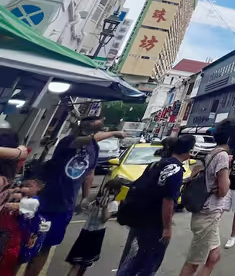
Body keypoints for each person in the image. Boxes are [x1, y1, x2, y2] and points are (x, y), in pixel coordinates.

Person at [25, 117, 124, 276]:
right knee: (26, 244)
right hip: (43, 201)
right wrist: (114, 133)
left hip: (64, 207)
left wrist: (85, 197)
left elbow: (89, 174)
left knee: (45, 247)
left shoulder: (94, 148)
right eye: (96, 125)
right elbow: (84, 139)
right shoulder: (69, 141)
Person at [117, 135, 195, 276]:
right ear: (186, 151)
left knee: (131, 258)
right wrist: (167, 228)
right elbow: (168, 201)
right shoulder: (176, 170)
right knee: (146, 263)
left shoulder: (157, 165)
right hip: (154, 224)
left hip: (139, 219)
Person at [178, 119, 235, 276]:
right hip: (207, 215)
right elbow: (223, 190)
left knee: (214, 257)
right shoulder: (223, 156)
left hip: (209, 214)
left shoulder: (213, 152)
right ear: (231, 138)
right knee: (193, 263)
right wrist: (228, 178)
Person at [65, 178, 123, 275]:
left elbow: (105, 218)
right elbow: (83, 205)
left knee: (85, 263)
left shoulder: (113, 204)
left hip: (97, 234)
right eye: (107, 189)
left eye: (111, 191)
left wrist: (105, 206)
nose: (108, 193)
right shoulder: (96, 199)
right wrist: (94, 200)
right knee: (76, 262)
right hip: (86, 231)